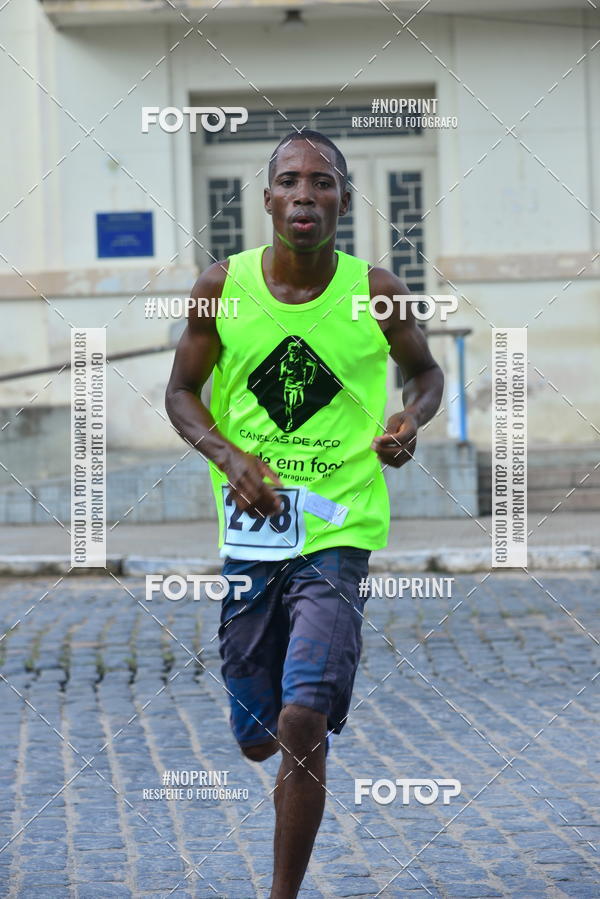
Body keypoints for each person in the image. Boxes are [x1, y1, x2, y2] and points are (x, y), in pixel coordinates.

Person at [165, 129, 444, 899]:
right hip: (253, 534)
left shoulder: (376, 289)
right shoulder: (220, 287)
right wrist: (230, 458)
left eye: (323, 183)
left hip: (340, 530)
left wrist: (408, 420)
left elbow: (425, 373)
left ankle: (281, 894)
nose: (305, 195)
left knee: (302, 722)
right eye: (290, 181)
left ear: (344, 201)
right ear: (267, 200)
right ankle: (265, 727)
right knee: (259, 737)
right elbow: (180, 394)